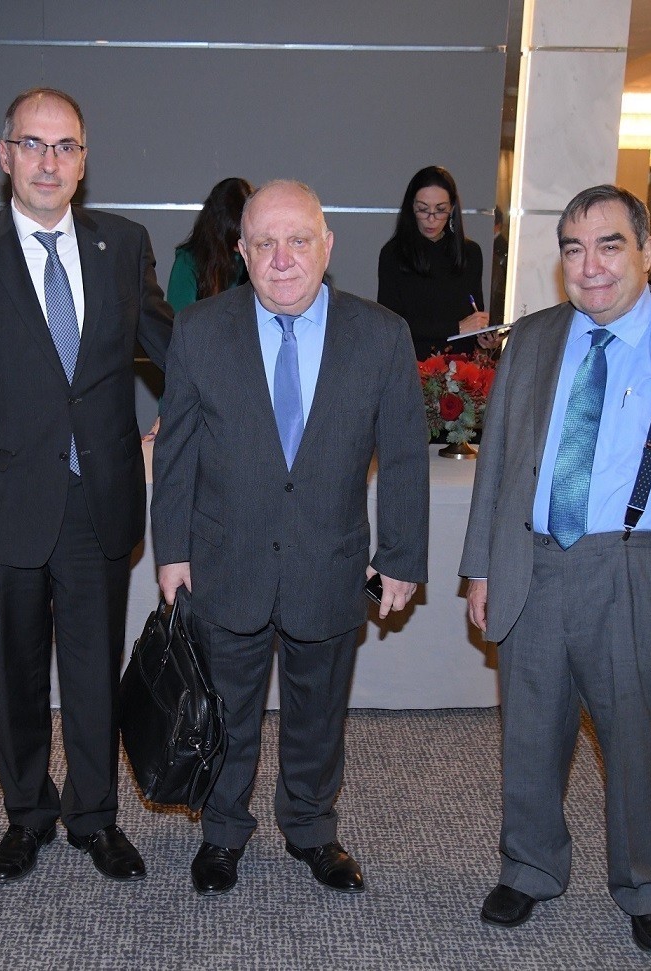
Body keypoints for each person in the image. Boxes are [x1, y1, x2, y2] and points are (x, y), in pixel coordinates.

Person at [459, 184, 651, 955]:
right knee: (529, 731)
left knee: (635, 739)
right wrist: (480, 567)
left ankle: (648, 885)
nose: (590, 265)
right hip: (533, 561)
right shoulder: (532, 338)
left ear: (647, 251)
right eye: (573, 249)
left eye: (609, 245)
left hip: (636, 570)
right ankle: (529, 867)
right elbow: (499, 463)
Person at [0, 88, 173, 886]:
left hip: (98, 500)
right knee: (16, 675)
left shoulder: (123, 245)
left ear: (84, 161)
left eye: (65, 147)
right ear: (5, 155)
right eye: (33, 143)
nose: (49, 161)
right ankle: (27, 814)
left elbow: (177, 350)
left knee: (95, 672)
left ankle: (94, 815)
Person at [153, 180, 429, 897]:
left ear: (326, 246)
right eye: (265, 243)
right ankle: (222, 832)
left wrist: (401, 557)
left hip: (330, 563)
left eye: (298, 240)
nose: (283, 259)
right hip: (225, 560)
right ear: (241, 251)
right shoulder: (200, 330)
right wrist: (171, 552)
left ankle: (311, 829)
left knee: (318, 714)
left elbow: (405, 456)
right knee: (226, 710)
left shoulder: (381, 335)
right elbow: (176, 452)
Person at [377, 165, 494, 359]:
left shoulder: (470, 253)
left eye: (440, 210)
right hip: (412, 364)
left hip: (461, 367)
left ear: (452, 209)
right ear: (411, 207)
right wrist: (457, 328)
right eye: (423, 209)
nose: (431, 219)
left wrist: (483, 336)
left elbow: (474, 314)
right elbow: (390, 324)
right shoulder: (393, 254)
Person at [166, 177, 254, 313]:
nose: (240, 245)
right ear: (218, 229)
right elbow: (181, 318)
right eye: (235, 236)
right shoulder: (188, 262)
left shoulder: (254, 259)